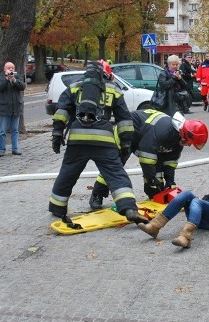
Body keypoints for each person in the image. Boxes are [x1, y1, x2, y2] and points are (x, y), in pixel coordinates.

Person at [49, 60, 149, 225]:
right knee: (116, 174)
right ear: (107, 75)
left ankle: (57, 207)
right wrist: (125, 144)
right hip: (104, 140)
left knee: (67, 173)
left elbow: (61, 112)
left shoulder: (74, 87)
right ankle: (129, 208)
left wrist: (57, 133)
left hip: (77, 139)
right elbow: (124, 120)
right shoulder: (113, 89)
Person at [89, 109, 209, 210]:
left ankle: (154, 193)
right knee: (115, 165)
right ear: (186, 134)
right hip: (129, 129)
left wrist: (170, 181)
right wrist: (151, 179)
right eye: (190, 142)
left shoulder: (179, 138)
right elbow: (147, 158)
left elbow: (170, 160)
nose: (188, 145)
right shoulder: (163, 131)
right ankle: (97, 194)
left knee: (157, 168)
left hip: (144, 134)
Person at [138, 188, 209, 248]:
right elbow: (201, 202)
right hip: (200, 216)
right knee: (187, 194)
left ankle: (185, 236)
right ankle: (155, 226)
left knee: (196, 201)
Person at [0, 61, 26, 156]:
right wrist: (6, 79)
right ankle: (1, 149)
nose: (11, 70)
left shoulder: (17, 77)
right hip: (5, 108)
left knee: (15, 130)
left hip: (15, 107)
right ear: (5, 69)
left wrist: (14, 80)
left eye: (12, 68)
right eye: (9, 68)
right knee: (2, 131)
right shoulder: (0, 77)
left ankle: (15, 148)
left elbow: (22, 87)